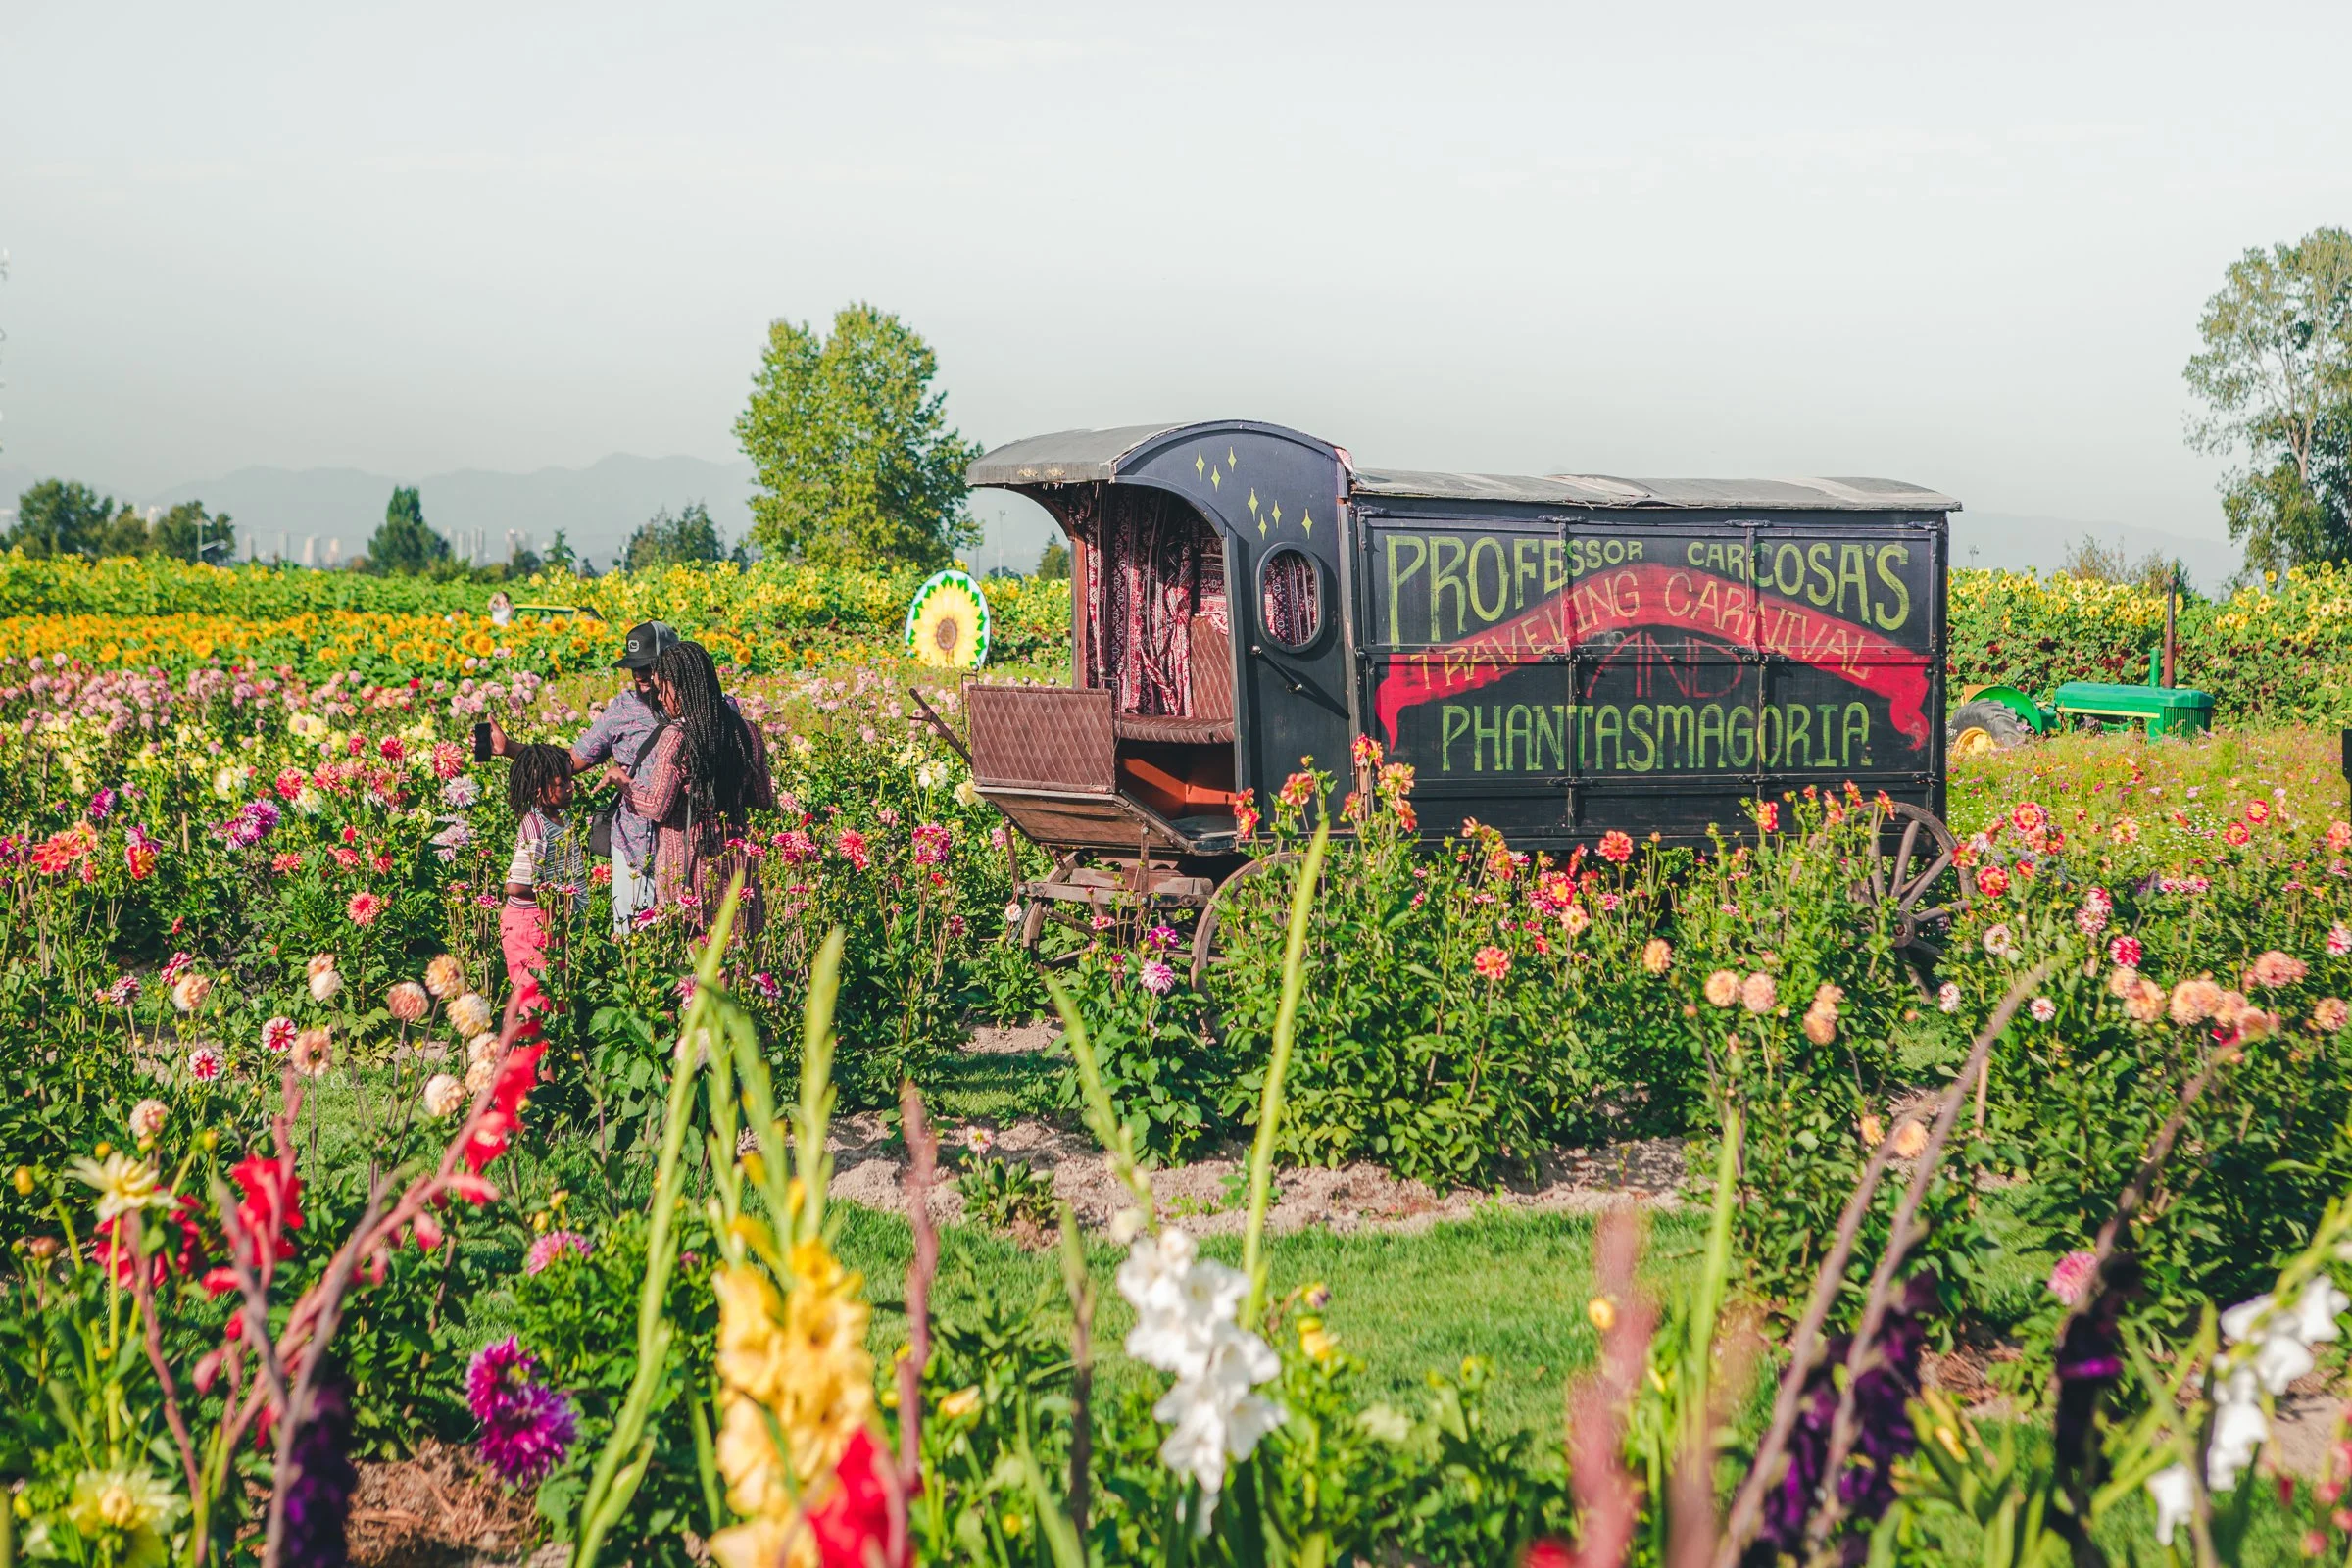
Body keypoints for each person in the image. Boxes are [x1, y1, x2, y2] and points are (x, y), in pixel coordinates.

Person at [488, 618, 677, 933]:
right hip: (632, 846)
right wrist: (510, 748)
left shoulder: (702, 707)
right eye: (635, 668)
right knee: (633, 945)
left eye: (649, 666)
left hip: (683, 848)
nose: (641, 675)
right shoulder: (623, 709)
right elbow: (569, 762)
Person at [618, 640, 775, 937]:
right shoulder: (747, 732)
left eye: (662, 687)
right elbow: (765, 799)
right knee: (740, 947)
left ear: (680, 687)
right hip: (736, 858)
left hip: (688, 862)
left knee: (694, 953)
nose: (660, 698)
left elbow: (657, 806)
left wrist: (625, 785)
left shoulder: (677, 737)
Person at [500, 743, 585, 1027]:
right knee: (536, 1003)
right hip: (529, 922)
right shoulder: (535, 827)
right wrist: (558, 895)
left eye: (570, 780)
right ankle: (535, 1069)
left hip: (549, 921)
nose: (571, 788)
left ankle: (538, 1065)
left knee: (550, 996)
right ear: (540, 790)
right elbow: (516, 885)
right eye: (563, 784)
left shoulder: (560, 819)